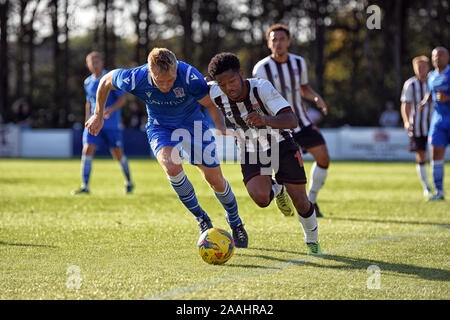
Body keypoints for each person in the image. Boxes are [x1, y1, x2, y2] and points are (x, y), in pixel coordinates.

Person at [85, 48, 248, 247]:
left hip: (192, 124)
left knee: (215, 180)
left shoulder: (189, 77)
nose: (164, 86)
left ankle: (235, 221)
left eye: (169, 81)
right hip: (160, 126)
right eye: (158, 81)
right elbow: (105, 82)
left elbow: (211, 105)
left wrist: (221, 129)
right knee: (171, 167)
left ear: (176, 69)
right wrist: (98, 114)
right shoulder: (135, 78)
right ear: (149, 72)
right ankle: (201, 218)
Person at [208, 52, 322, 255]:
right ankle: (278, 188)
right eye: (222, 84)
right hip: (250, 149)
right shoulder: (215, 92)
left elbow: (292, 120)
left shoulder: (262, 88)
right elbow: (192, 87)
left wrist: (266, 120)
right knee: (261, 199)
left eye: (232, 81)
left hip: (281, 144)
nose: (229, 88)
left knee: (301, 203)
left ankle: (312, 241)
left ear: (241, 74)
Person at [252, 23, 329, 218]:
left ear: (289, 41)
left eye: (282, 39)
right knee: (287, 170)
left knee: (324, 158)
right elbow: (257, 98)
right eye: (274, 40)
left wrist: (316, 98)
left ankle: (312, 198)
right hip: (277, 127)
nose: (278, 43)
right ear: (269, 43)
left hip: (301, 121)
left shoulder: (299, 63)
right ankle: (282, 192)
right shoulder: (261, 68)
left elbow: (304, 88)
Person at [72, 51, 134, 195]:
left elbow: (122, 99)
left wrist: (110, 110)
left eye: (97, 61)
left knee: (117, 154)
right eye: (91, 62)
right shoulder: (87, 82)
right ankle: (85, 186)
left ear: (102, 63)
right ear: (87, 65)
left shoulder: (110, 78)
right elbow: (88, 102)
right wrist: (87, 120)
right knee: (87, 150)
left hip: (111, 124)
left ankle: (129, 182)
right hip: (93, 124)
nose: (94, 64)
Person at [419, 46, 450, 201]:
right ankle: (439, 191)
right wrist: (425, 101)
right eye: (434, 56)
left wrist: (448, 98)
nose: (437, 58)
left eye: (440, 56)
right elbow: (431, 93)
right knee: (435, 152)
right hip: (438, 120)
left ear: (447, 58)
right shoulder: (431, 76)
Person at [400, 56, 434, 197]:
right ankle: (426, 185)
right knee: (421, 155)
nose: (421, 70)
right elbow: (405, 104)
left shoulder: (435, 80)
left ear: (428, 67)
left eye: (423, 66)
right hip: (418, 126)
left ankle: (437, 184)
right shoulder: (410, 84)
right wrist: (407, 121)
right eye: (418, 67)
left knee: (435, 154)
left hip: (434, 124)